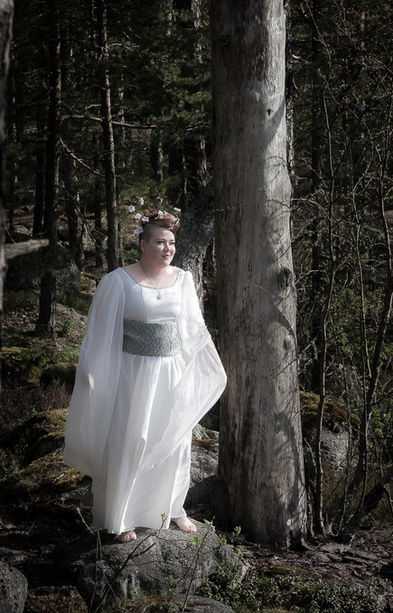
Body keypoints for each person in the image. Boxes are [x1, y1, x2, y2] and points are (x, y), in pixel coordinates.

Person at [64, 208, 226, 542]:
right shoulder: (118, 281)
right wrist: (92, 371)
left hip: (171, 374)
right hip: (133, 374)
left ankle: (173, 507)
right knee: (132, 438)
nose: (168, 249)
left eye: (171, 243)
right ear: (142, 244)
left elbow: (194, 328)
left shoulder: (183, 280)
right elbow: (99, 333)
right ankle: (123, 515)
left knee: (174, 438)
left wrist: (212, 362)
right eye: (160, 242)